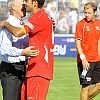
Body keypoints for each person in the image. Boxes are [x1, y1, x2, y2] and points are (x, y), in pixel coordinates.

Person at [0, 0, 54, 100]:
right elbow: (3, 49)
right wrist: (22, 52)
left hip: (30, 69)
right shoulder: (11, 23)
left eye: (26, 2)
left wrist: (5, 24)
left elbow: (18, 33)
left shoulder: (31, 21)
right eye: (22, 4)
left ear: (34, 3)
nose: (25, 4)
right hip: (11, 70)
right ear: (13, 7)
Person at [75, 2, 100, 100]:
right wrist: (83, 58)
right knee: (86, 87)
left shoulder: (98, 24)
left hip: (96, 60)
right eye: (85, 13)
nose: (87, 15)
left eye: (89, 13)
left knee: (99, 85)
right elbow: (77, 43)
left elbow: (98, 40)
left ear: (95, 12)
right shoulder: (81, 24)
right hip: (85, 61)